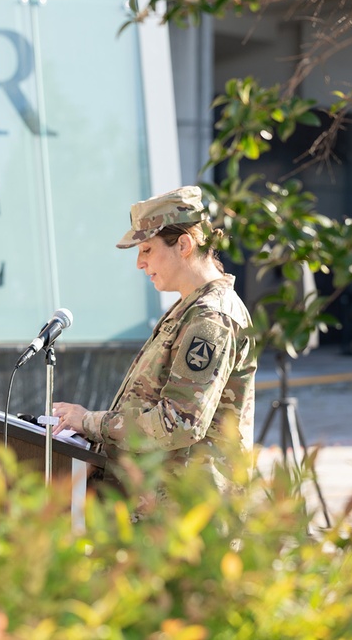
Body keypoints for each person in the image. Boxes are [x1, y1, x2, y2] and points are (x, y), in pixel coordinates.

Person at [52, 185, 257, 518]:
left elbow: (178, 423)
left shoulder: (210, 319)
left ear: (184, 245)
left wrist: (90, 421)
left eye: (146, 249)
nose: (139, 263)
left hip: (187, 519)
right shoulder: (189, 310)